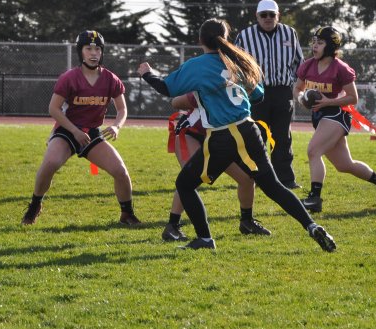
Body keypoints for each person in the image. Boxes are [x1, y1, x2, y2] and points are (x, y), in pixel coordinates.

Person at [138, 18, 336, 252]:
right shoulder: (236, 60)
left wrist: (147, 73)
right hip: (248, 129)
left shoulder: (198, 65)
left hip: (223, 135)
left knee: (185, 184)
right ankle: (312, 226)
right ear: (225, 38)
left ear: (201, 40)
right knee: (273, 185)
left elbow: (166, 88)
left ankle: (204, 238)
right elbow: (258, 96)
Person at [21, 31, 141, 226]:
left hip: (91, 132)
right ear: (80, 51)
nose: (93, 53)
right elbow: (53, 108)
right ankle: (35, 204)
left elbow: (122, 109)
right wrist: (75, 131)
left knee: (120, 171)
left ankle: (127, 214)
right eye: (88, 48)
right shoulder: (69, 78)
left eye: (97, 49)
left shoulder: (110, 78)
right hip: (67, 131)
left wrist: (117, 126)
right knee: (50, 163)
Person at [293, 26, 376, 213]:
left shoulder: (340, 68)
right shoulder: (308, 65)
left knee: (313, 151)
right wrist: (301, 98)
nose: (315, 46)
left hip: (336, 114)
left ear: (331, 46)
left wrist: (329, 101)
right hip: (320, 117)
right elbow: (297, 88)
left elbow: (353, 98)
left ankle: (315, 198)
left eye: (320, 43)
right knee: (344, 165)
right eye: (314, 42)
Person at [162, 92, 267, 241]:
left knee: (247, 179)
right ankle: (172, 225)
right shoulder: (210, 82)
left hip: (219, 137)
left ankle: (247, 221)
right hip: (192, 133)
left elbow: (257, 94)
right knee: (189, 180)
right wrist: (199, 97)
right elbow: (177, 102)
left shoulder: (235, 84)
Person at [235, 0, 304, 189]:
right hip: (256, 92)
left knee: (283, 137)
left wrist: (295, 84)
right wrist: (245, 86)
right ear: (257, 16)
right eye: (263, 15)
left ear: (278, 15)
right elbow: (235, 63)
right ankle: (255, 177)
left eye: (272, 14)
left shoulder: (289, 33)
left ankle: (285, 178)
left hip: (282, 91)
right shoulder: (245, 36)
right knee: (256, 136)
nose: (268, 18)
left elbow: (299, 63)